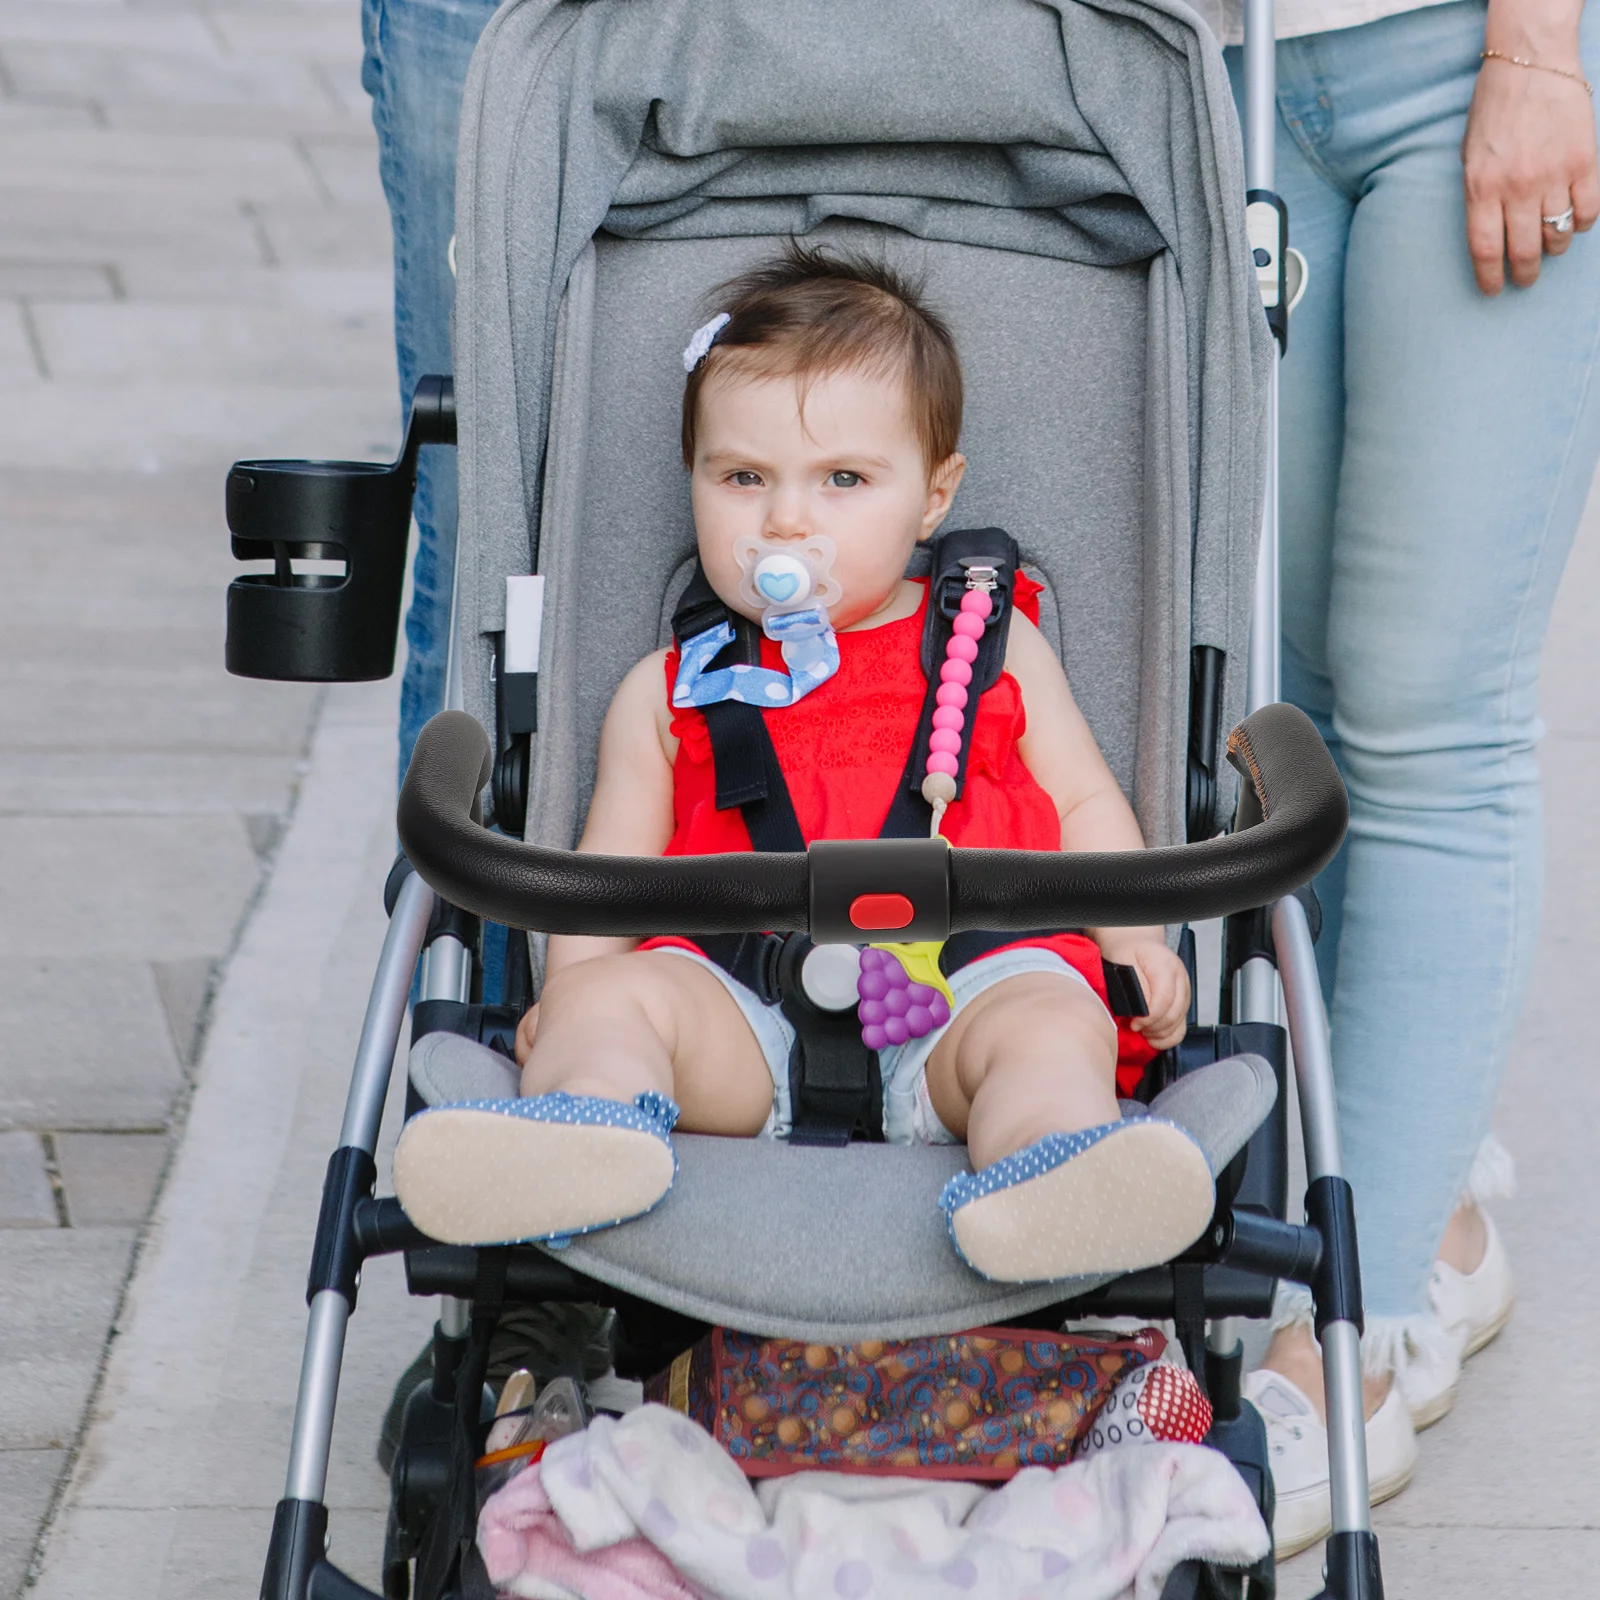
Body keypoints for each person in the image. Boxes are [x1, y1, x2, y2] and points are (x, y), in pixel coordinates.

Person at [392, 245, 1214, 1285]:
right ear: (693, 480)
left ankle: (1053, 1176)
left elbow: (1085, 798)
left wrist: (1134, 939)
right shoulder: (670, 688)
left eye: (843, 481)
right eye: (742, 478)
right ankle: (585, 1127)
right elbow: (601, 879)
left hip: (968, 987)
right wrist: (578, 991)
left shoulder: (995, 646)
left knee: (1055, 1025)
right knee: (612, 1009)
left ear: (931, 495)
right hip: (737, 1007)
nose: (785, 520)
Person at [1218, 0, 1600, 1558]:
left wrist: (1537, 47)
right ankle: (1425, 1204)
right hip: (1215, 71)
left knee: (1429, 715)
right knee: (1294, 703)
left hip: (1457, 50)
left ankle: (1343, 1337)